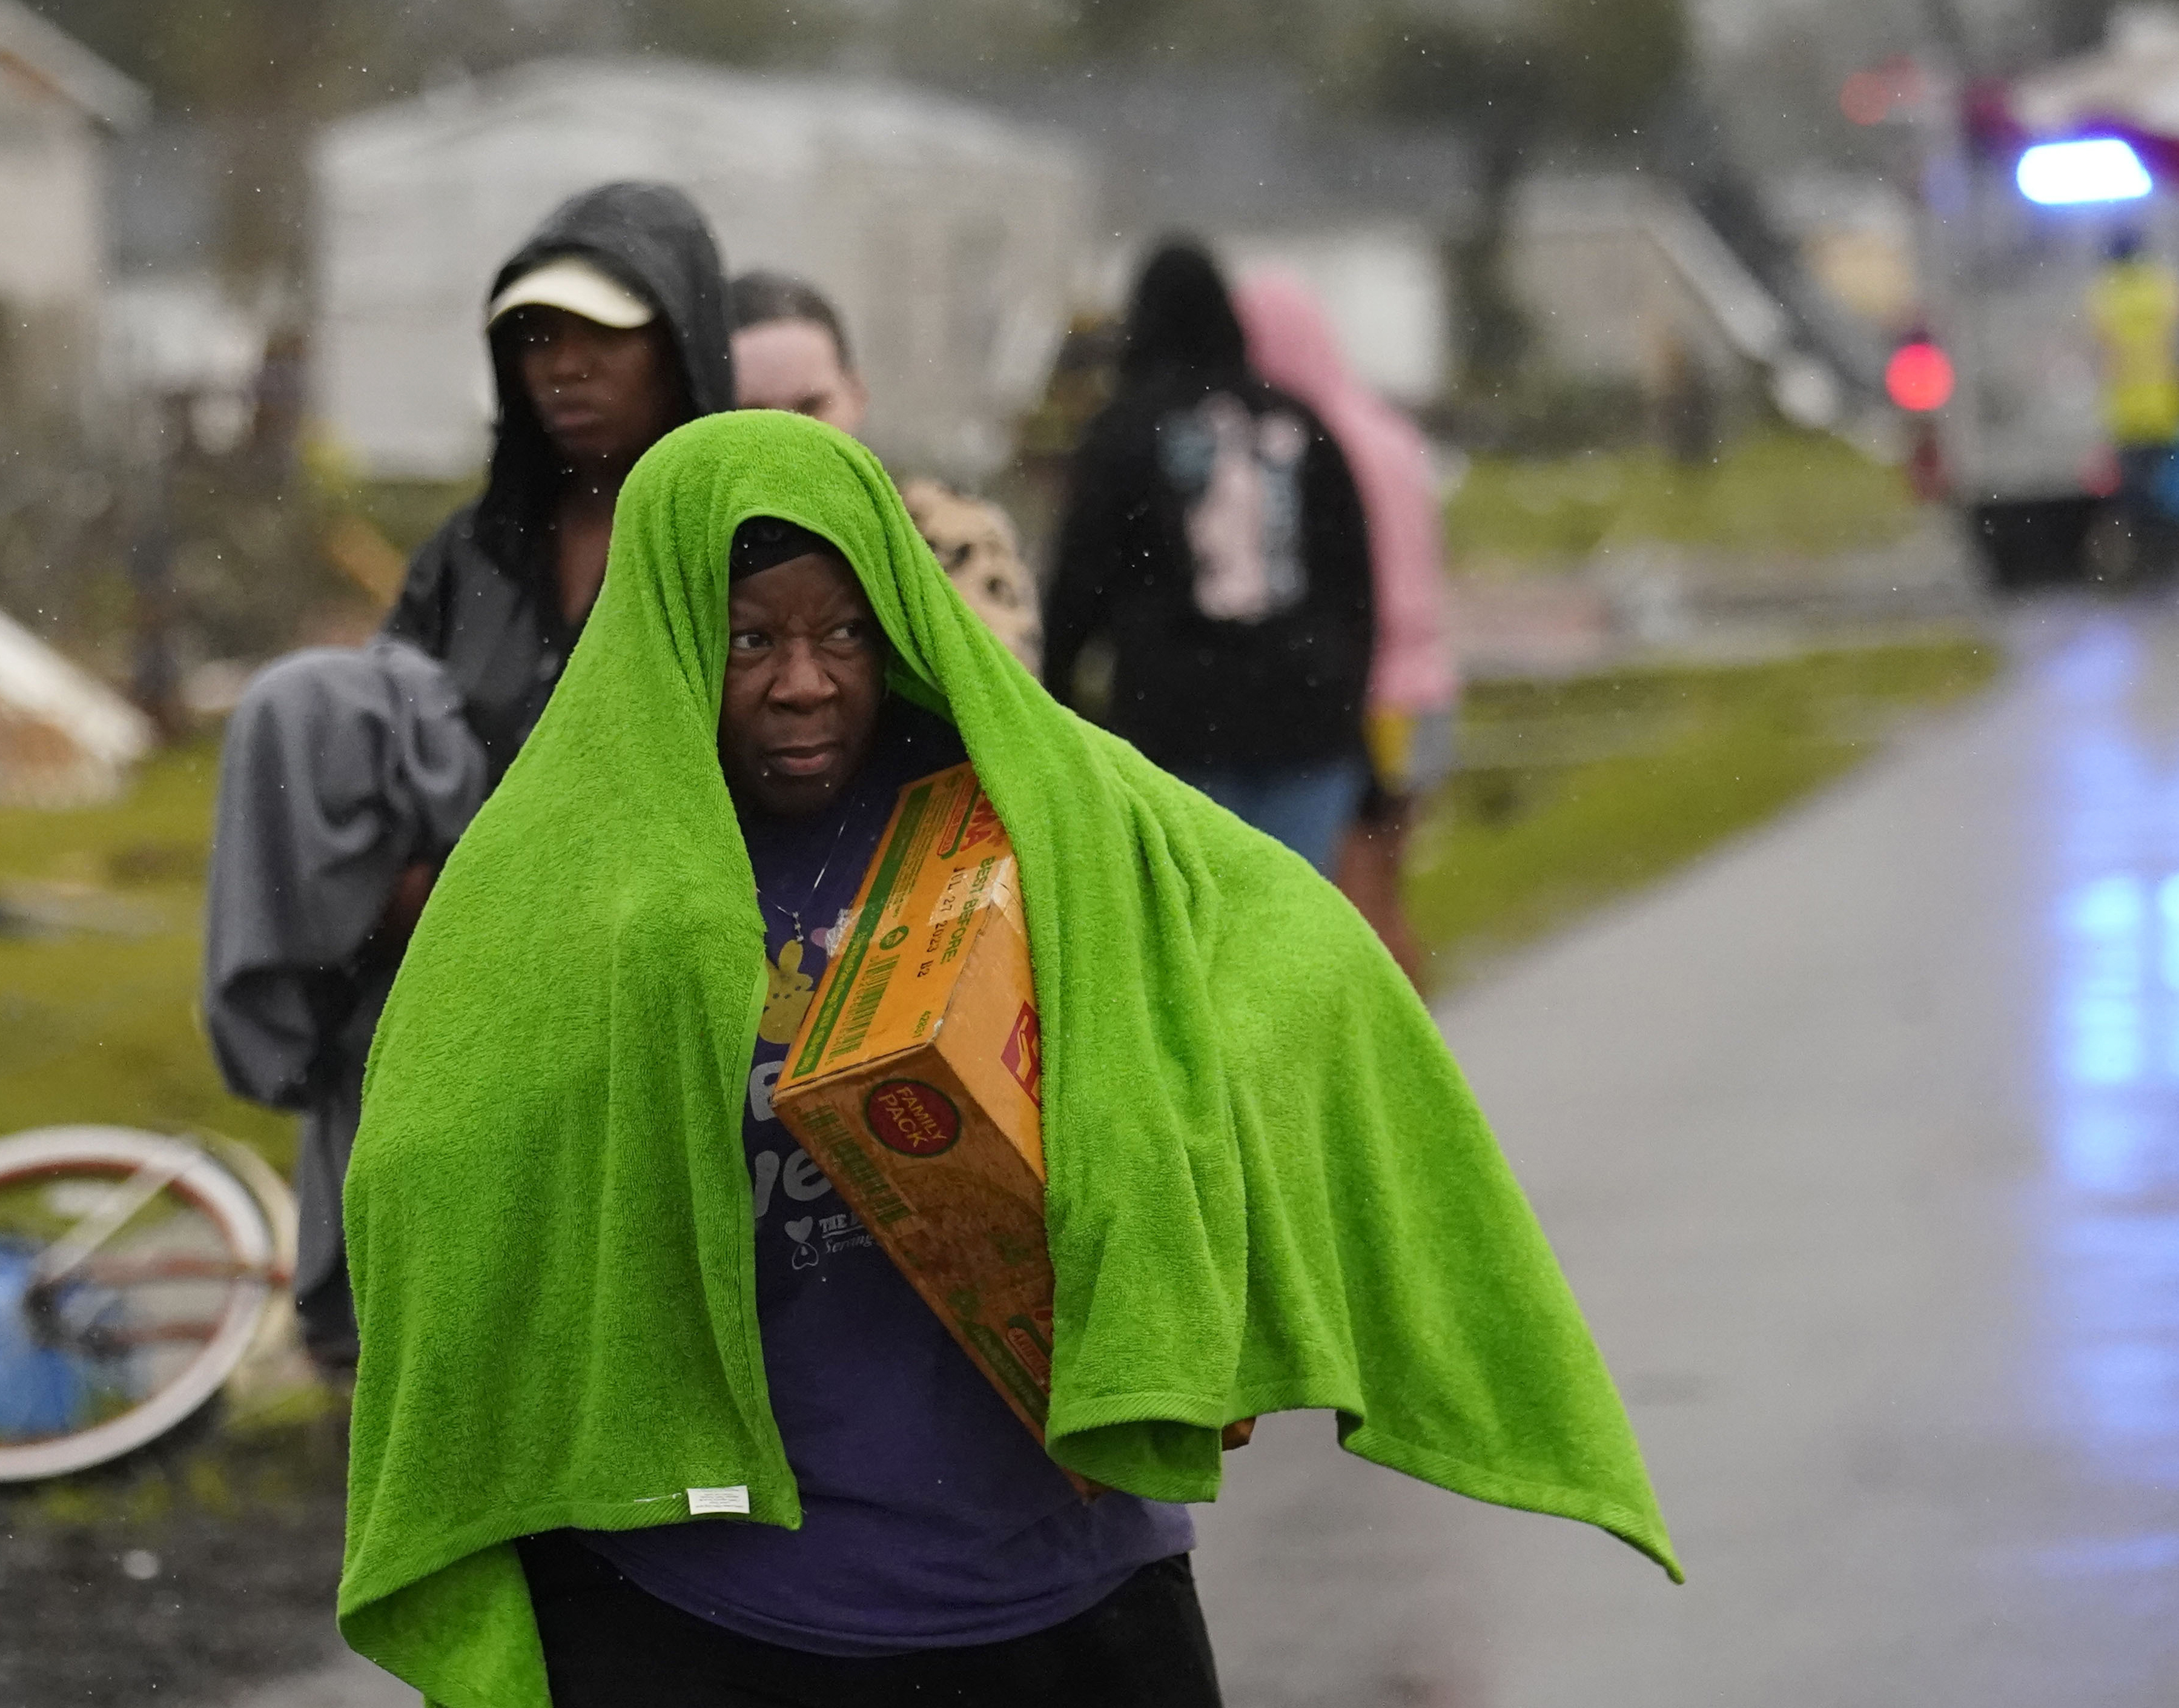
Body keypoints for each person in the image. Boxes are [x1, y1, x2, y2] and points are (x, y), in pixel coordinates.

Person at [333, 409, 1677, 1704]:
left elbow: (1305, 983)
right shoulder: (562, 884)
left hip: (1061, 1602)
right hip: (713, 1617)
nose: (804, 683)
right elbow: (431, 1165)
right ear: (673, 632)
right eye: (750, 641)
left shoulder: (1045, 813)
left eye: (845, 633)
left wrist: (1215, 1280)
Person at [203, 182, 732, 1370]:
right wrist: (396, 889)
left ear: (681, 343)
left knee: (617, 1353)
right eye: (539, 338)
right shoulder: (473, 555)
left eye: (605, 335)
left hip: (636, 999)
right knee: (454, 1353)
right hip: (444, 992)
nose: (567, 368)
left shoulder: (731, 540)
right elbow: (384, 742)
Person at [1043, 241, 1376, 876]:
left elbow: (1078, 585)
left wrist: (1056, 704)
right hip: (1305, 722)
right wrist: (1349, 711)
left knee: (1197, 941)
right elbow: (1353, 589)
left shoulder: (1125, 433)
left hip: (1177, 726)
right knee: (1290, 935)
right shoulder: (1300, 423)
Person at [1232, 270, 1460, 990]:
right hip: (1427, 691)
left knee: (1354, 901)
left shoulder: (1311, 448)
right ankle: (1417, 1045)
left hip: (1369, 692)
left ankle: (1392, 1069)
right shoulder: (1387, 431)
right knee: (1389, 883)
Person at [729, 270, 1043, 671]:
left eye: (810, 407)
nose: (790, 439)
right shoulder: (683, 554)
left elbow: (1000, 698)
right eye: (752, 416)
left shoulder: (947, 531)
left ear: (856, 395)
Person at [2087, 227, 2179, 570]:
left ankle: (2143, 559)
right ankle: (2169, 555)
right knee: (2167, 490)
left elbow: (2100, 350)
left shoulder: (2105, 293)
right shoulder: (2162, 286)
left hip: (2126, 412)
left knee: (2134, 493)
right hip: (2165, 407)